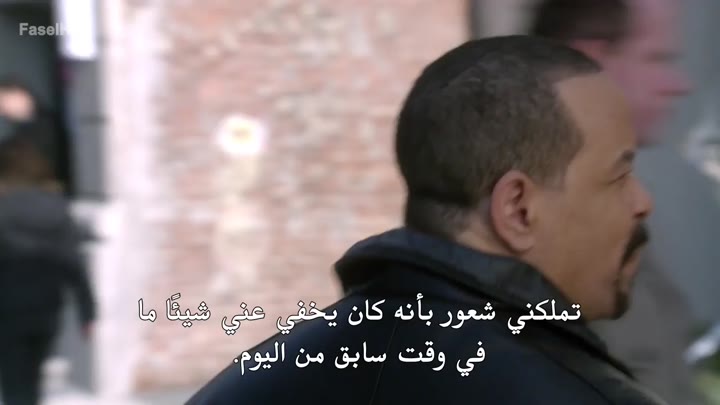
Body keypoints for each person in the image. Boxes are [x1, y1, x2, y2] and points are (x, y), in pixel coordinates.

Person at [187, 35, 663, 404]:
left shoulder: (258, 379)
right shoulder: (578, 395)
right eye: (619, 176)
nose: (643, 202)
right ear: (518, 210)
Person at [528, 1, 718, 403]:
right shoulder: (542, 229)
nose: (679, 84)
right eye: (658, 58)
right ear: (592, 63)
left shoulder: (607, 203)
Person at [0, 130, 95, 405]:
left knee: (15, 385)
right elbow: (74, 264)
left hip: (9, 311)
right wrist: (87, 312)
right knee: (32, 381)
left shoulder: (3, 209)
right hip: (47, 311)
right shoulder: (57, 209)